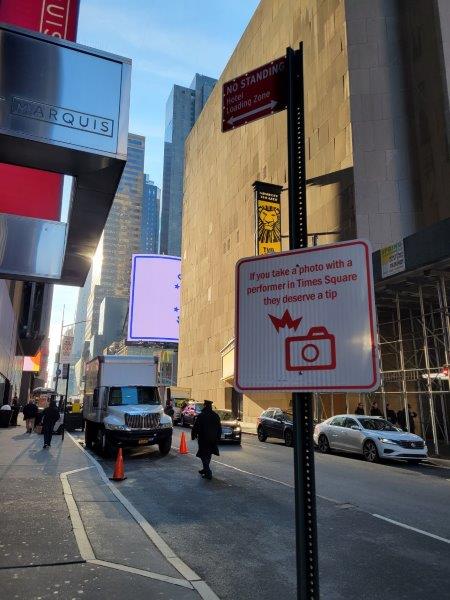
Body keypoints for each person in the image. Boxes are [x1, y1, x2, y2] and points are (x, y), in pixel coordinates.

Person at [191, 400, 222, 480]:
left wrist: (193, 435)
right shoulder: (216, 415)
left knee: (202, 454)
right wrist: (218, 438)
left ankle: (208, 471)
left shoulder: (202, 415)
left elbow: (196, 426)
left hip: (203, 438)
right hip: (213, 439)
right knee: (208, 454)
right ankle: (205, 469)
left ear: (205, 406)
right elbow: (219, 428)